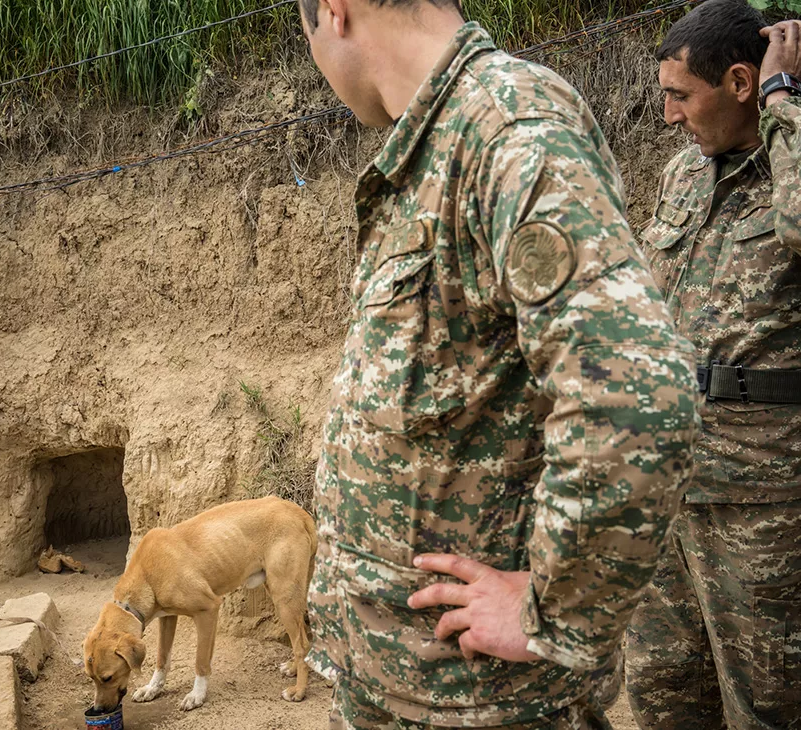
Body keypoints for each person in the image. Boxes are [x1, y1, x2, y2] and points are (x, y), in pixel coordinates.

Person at [297, 0, 699, 727]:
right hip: (402, 680)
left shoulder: (509, 129)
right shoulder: (440, 140)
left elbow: (637, 396)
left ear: (334, 11)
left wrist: (554, 610)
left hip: (482, 699)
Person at [625, 2, 801, 729]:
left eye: (680, 95)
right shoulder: (685, 174)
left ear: (743, 80)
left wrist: (786, 99)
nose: (668, 116)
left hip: (765, 499)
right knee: (662, 701)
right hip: (665, 485)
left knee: (767, 712)